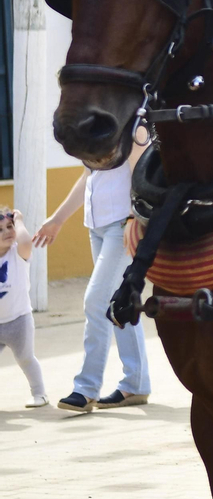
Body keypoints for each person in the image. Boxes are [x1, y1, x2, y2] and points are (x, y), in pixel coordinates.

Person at [32, 135, 152, 412]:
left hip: (121, 226)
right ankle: (136, 384)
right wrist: (57, 220)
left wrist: (133, 219)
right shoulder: (101, 127)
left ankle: (86, 389)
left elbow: (140, 174)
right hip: (96, 227)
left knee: (95, 301)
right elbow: (88, 176)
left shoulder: (133, 127)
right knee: (119, 304)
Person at [0, 210, 48, 408]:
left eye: (9, 227)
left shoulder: (18, 253)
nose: (7, 232)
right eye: (0, 230)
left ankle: (39, 394)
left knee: (25, 358)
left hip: (19, 320)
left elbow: (26, 242)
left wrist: (18, 221)